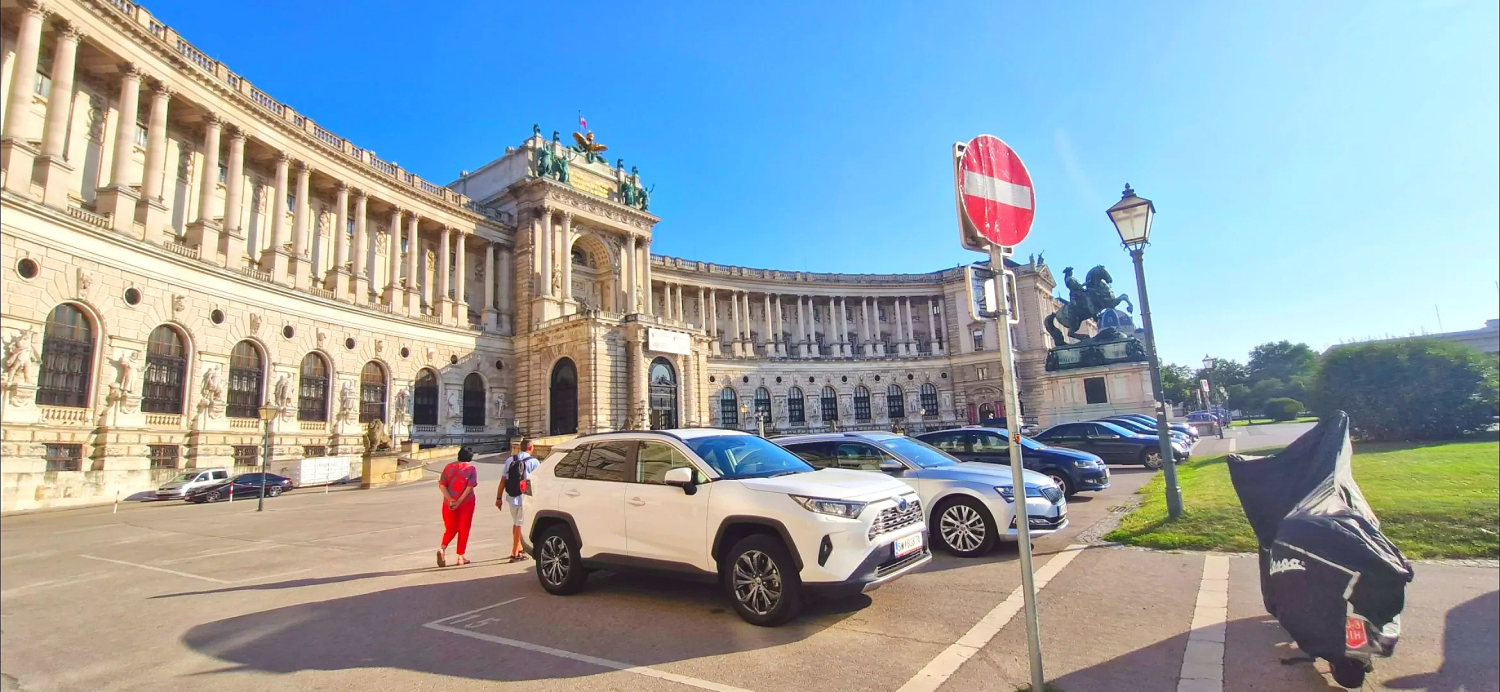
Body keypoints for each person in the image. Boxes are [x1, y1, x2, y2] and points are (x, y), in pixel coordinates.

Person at [499, 439, 540, 561]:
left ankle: (519, 547)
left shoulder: (509, 460)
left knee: (516, 523)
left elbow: (503, 480)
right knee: (519, 524)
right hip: (525, 497)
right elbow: (537, 482)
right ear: (531, 448)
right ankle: (515, 552)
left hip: (512, 496)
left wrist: (498, 498)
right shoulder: (534, 462)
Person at [437, 447, 479, 567]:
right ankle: (460, 556)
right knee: (464, 528)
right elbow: (469, 487)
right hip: (466, 502)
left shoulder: (448, 467)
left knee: (451, 528)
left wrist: (450, 499)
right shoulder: (471, 469)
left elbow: (442, 485)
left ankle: (442, 548)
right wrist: (459, 501)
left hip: (449, 503)